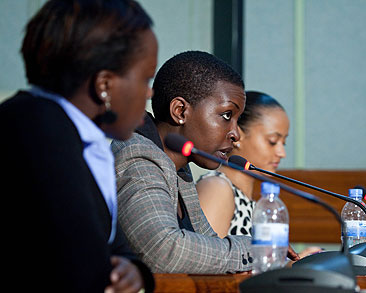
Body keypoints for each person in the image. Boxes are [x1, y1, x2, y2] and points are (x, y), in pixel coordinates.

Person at [0, 0, 157, 292]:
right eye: (146, 78)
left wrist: (133, 272)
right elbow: (77, 264)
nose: (150, 92)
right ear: (104, 85)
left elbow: (116, 250)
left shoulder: (79, 137)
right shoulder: (38, 131)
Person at [111, 51, 300, 274]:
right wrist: (257, 248)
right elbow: (163, 251)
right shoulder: (138, 155)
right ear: (180, 111)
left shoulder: (180, 168)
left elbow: (207, 244)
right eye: (227, 116)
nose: (235, 134)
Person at [196, 91, 321, 257]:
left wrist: (294, 265)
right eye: (272, 141)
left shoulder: (253, 201)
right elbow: (207, 264)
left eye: (283, 143)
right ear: (237, 135)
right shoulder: (216, 187)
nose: (281, 152)